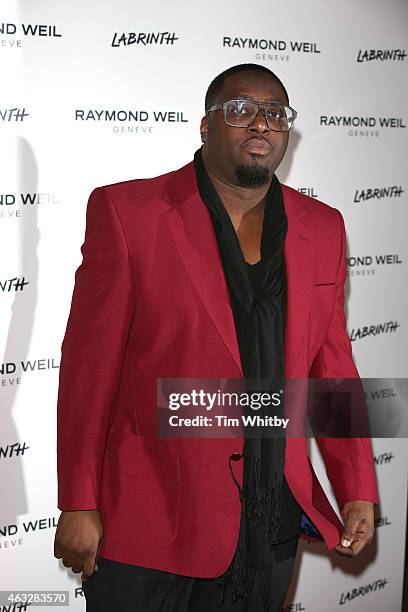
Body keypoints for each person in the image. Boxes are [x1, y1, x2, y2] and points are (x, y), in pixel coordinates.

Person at [54, 63, 379, 611]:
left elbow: (333, 370)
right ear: (206, 126)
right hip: (152, 519)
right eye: (241, 109)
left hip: (270, 518)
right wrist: (79, 500)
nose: (261, 123)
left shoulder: (324, 227)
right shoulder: (129, 213)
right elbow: (90, 372)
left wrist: (357, 487)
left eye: (275, 113)